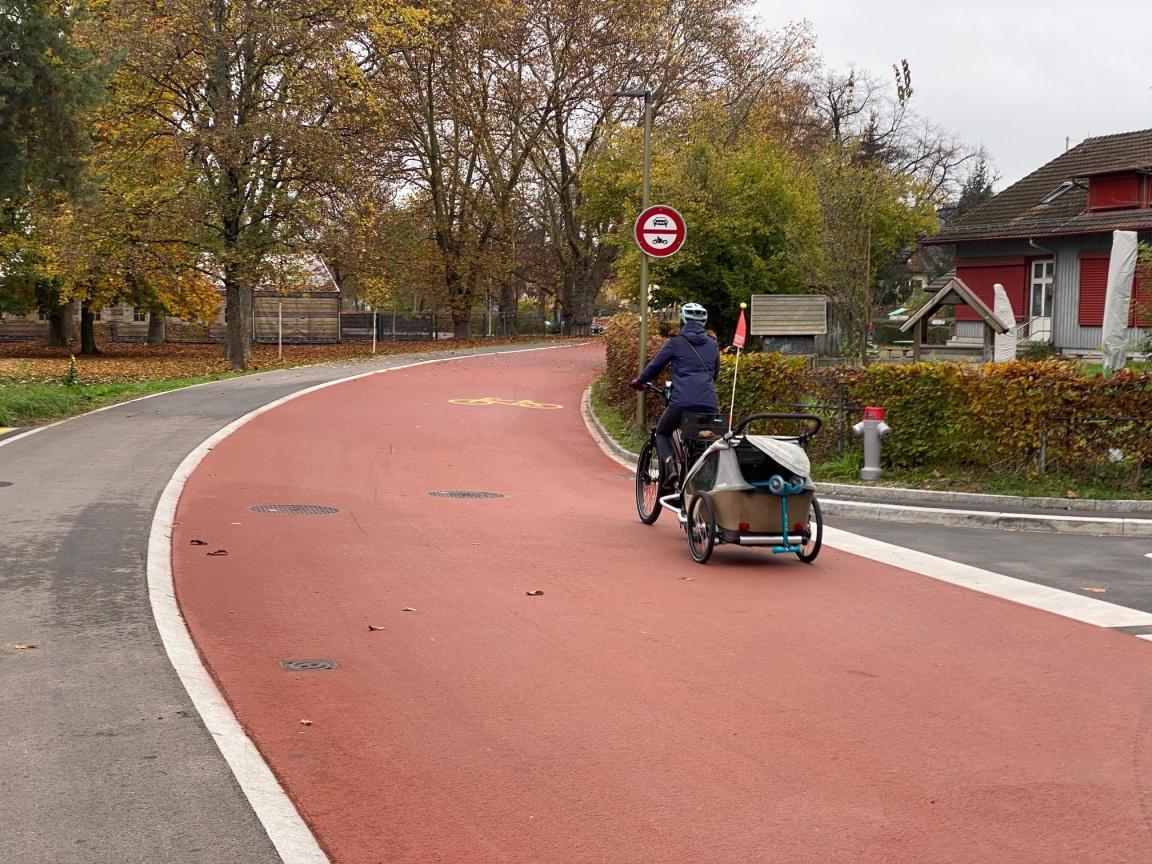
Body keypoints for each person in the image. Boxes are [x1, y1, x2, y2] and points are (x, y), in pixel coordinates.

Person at [630, 302, 720, 487]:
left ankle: (671, 468)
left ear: (683, 321)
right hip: (709, 403)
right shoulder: (712, 345)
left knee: (662, 433)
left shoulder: (675, 343)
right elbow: (715, 375)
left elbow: (655, 366)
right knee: (701, 439)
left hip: (681, 401)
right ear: (703, 323)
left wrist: (639, 381)